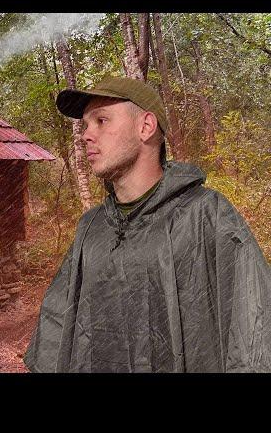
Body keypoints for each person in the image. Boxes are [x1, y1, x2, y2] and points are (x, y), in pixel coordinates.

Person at [24, 76, 271, 373]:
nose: (86, 135)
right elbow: (57, 328)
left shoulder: (206, 215)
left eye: (101, 121)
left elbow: (253, 327)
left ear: (146, 126)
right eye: (85, 126)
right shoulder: (91, 228)